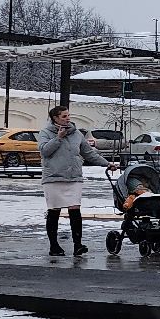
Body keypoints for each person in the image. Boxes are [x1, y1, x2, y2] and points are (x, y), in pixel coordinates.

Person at [37, 105, 110, 256]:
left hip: (73, 177)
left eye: (68, 115)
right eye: (64, 116)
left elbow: (88, 153)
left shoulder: (76, 133)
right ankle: (54, 246)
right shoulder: (46, 132)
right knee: (54, 211)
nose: (67, 118)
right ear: (55, 118)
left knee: (75, 210)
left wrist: (107, 163)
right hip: (54, 178)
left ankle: (78, 244)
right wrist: (58, 138)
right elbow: (44, 151)